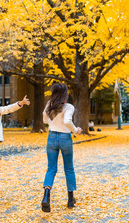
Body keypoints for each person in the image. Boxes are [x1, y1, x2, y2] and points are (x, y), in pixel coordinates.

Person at [41, 83, 83, 212]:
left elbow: (44, 120)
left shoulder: (49, 105)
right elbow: (67, 121)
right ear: (65, 94)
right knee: (69, 168)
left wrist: (53, 122)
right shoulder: (68, 107)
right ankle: (71, 200)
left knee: (51, 169)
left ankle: (46, 197)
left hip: (52, 137)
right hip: (65, 137)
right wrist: (76, 130)